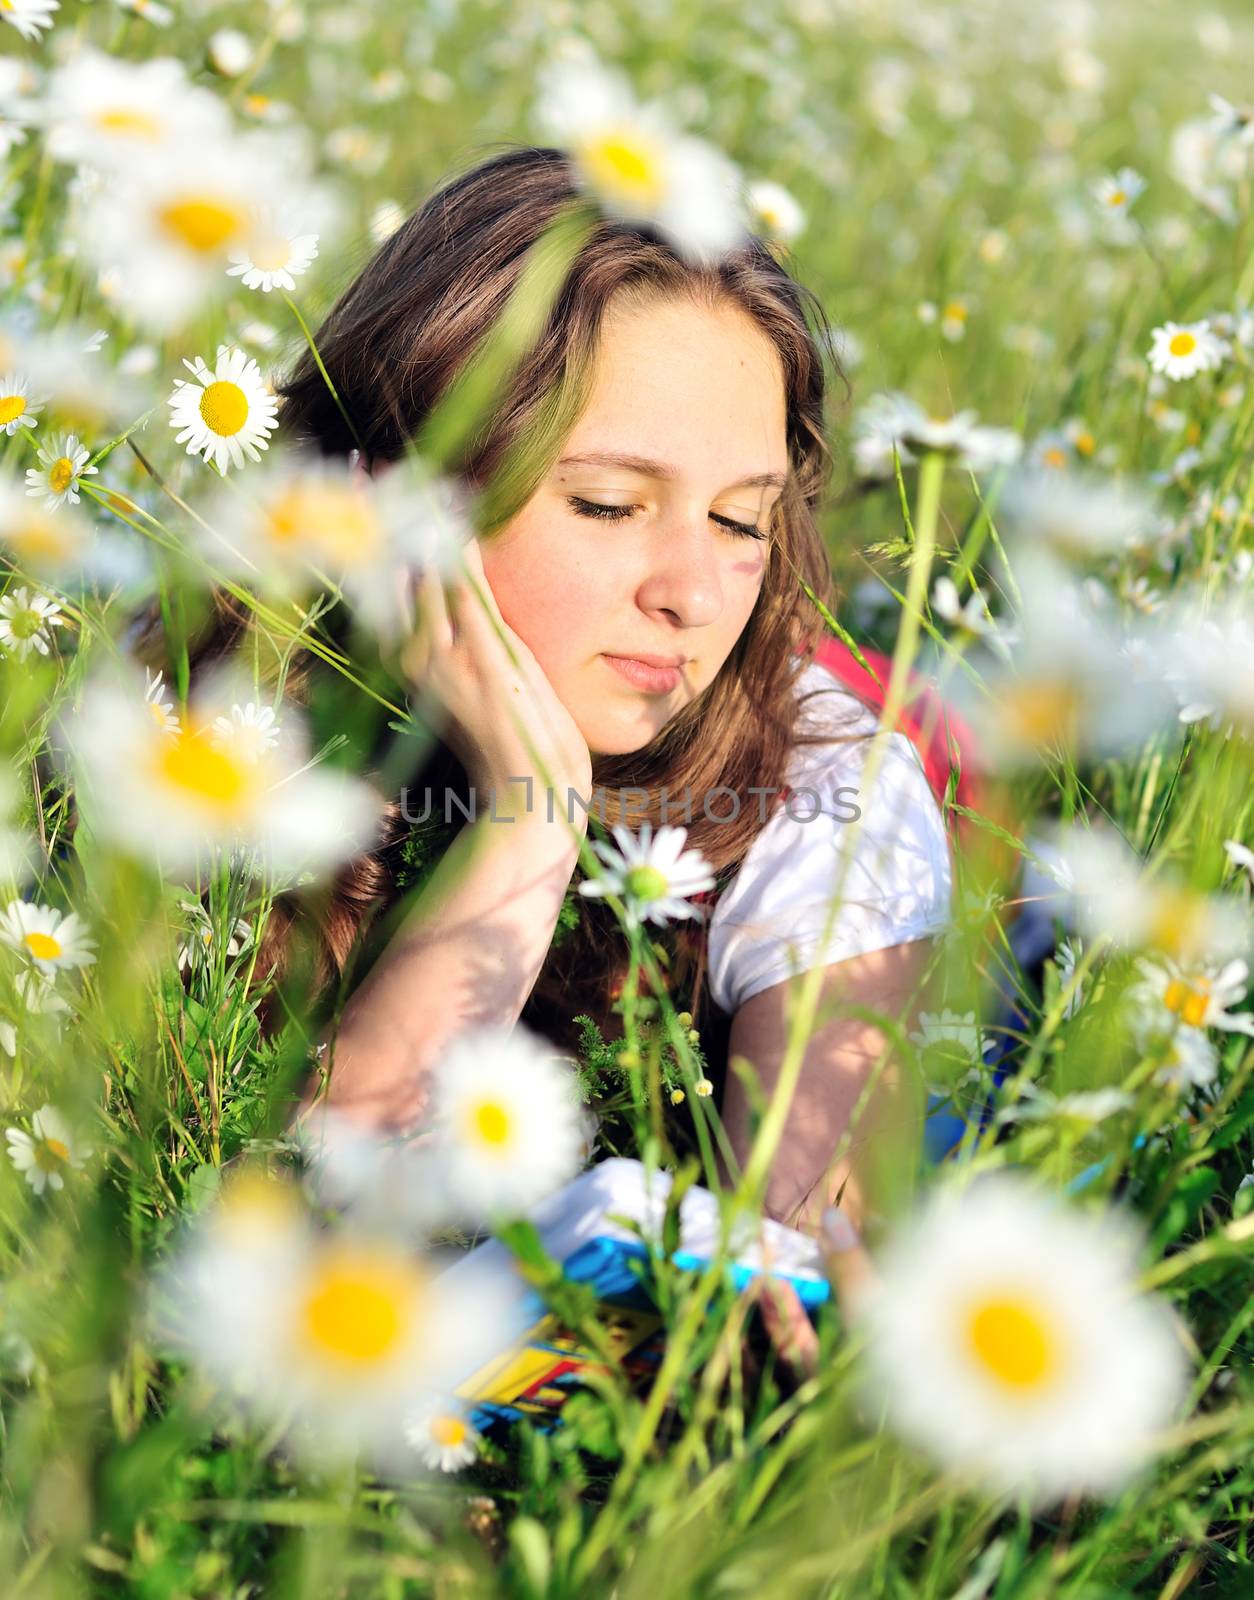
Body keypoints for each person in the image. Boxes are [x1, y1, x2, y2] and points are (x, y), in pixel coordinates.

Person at [137, 144, 955, 1241]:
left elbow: (804, 1264)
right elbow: (271, 1232)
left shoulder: (831, 803)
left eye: (741, 520)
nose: (695, 596)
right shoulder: (208, 722)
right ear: (395, 495)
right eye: (612, 504)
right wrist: (533, 827)